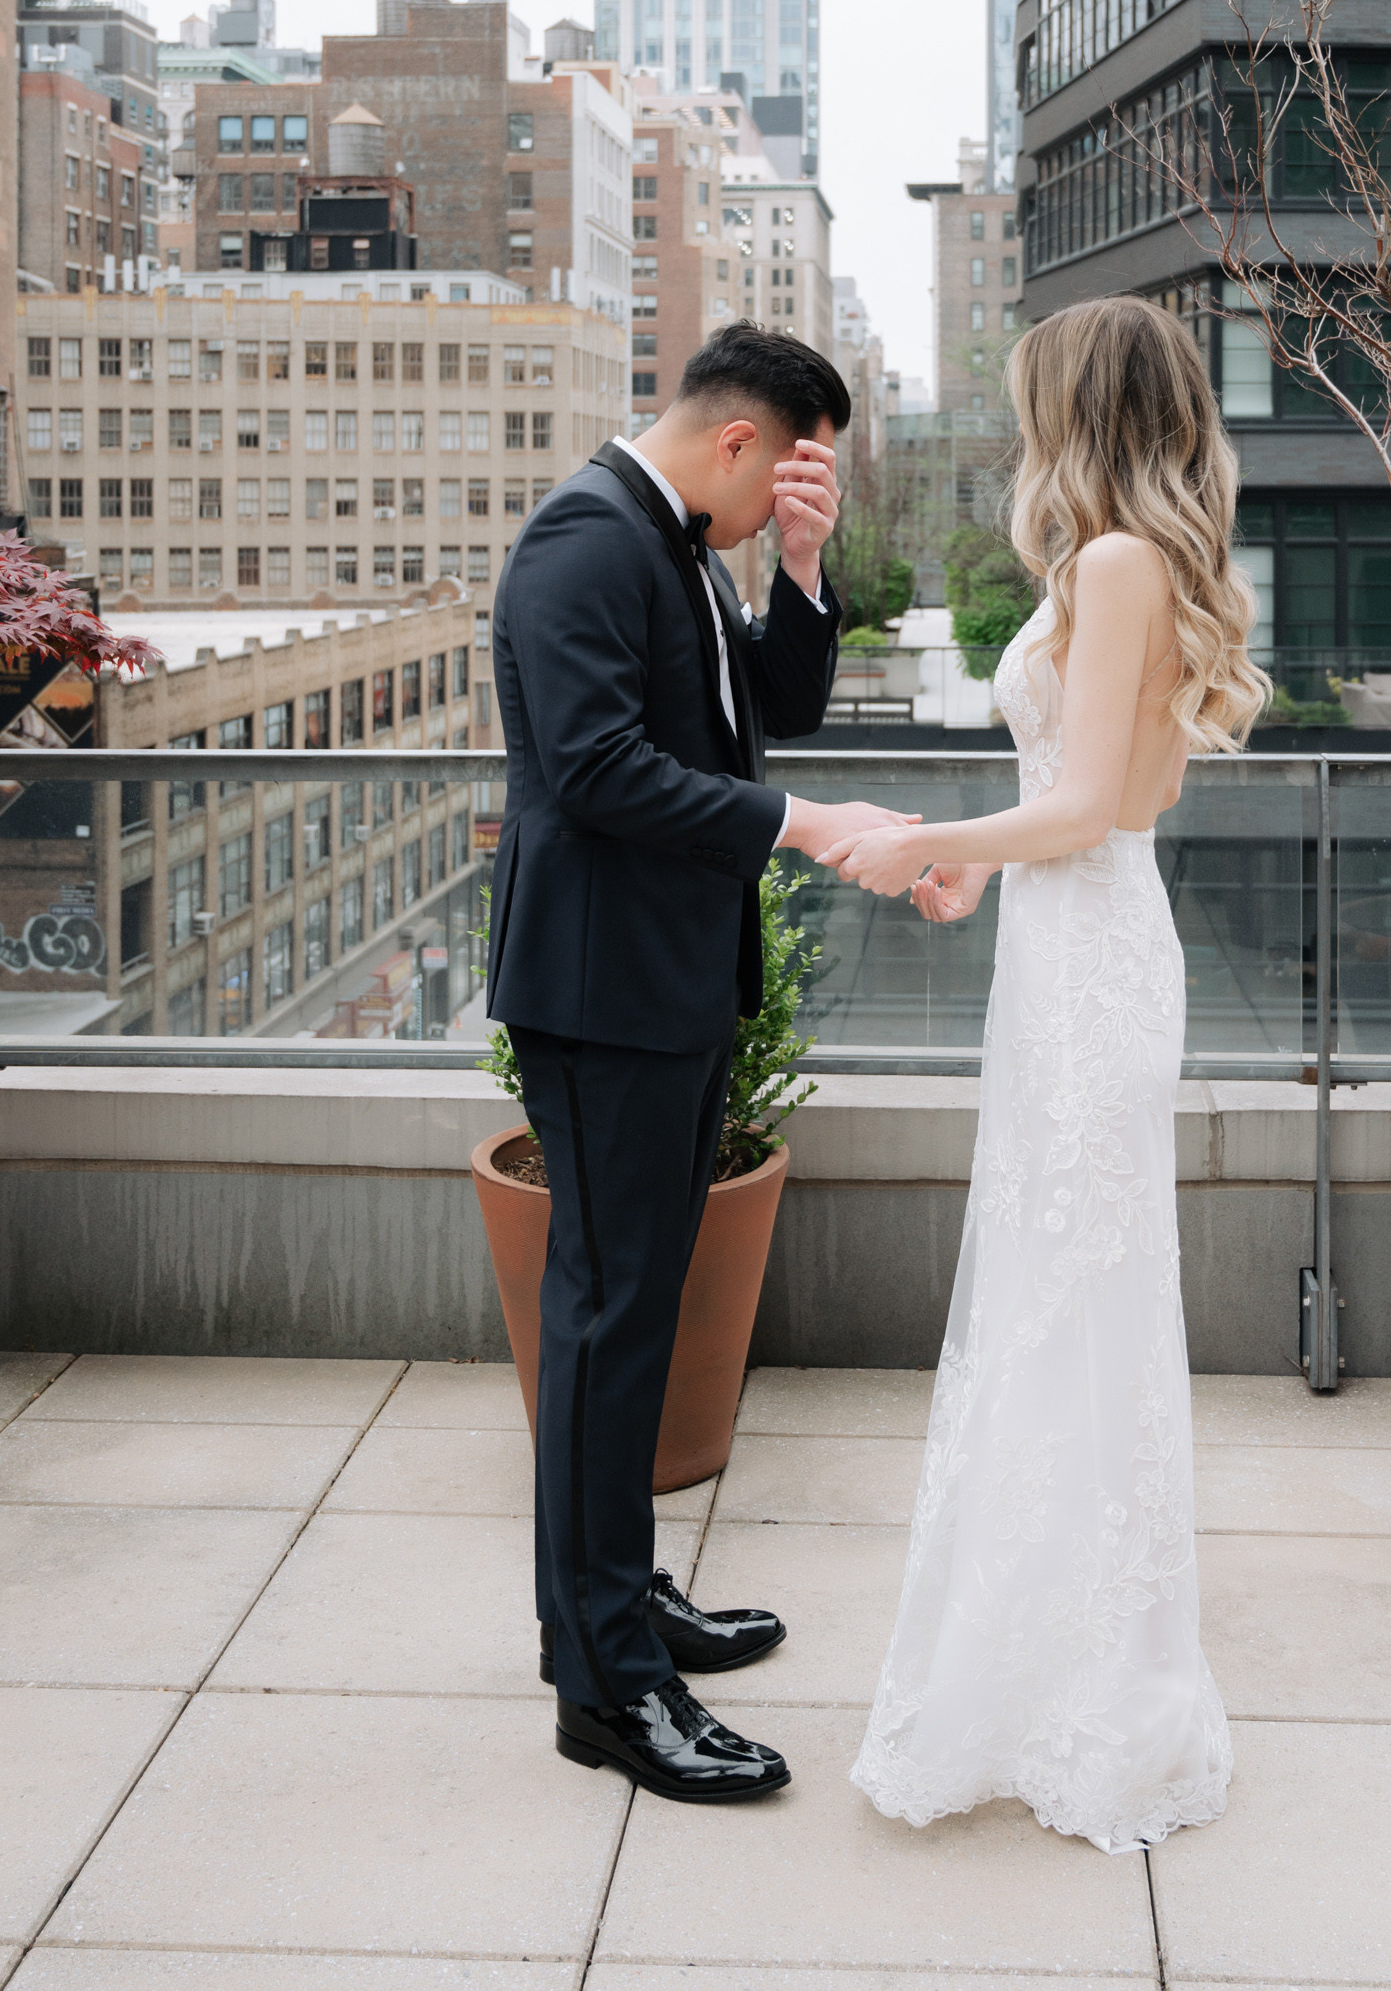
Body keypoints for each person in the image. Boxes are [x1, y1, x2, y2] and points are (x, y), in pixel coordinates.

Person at [821, 297, 1269, 1853]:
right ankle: (1043, 1664)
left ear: (1079, 406)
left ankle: (1084, 1688)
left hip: (1093, 969)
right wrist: (977, 876)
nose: (1020, 432)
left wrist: (923, 841)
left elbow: (1084, 807)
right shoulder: (1127, 564)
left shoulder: (1118, 565)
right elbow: (1077, 811)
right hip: (1071, 952)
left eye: (1032, 405)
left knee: (1067, 1308)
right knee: (1055, 1301)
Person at [488, 321, 919, 1808]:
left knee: (635, 1313)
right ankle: (605, 1682)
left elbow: (767, 715)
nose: (778, 503)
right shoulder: (586, 545)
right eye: (786, 479)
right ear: (738, 441)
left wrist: (798, 569)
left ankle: (620, 1598)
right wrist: (809, 825)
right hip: (603, 998)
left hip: (664, 990)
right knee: (607, 1324)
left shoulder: (683, 551)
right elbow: (601, 772)